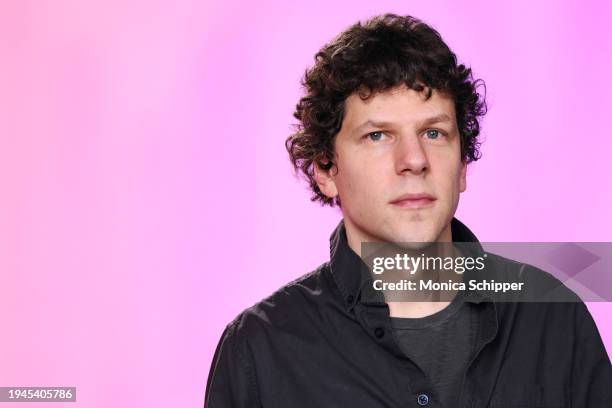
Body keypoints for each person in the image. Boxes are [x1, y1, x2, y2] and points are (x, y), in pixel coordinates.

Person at [204, 13, 612, 407]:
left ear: (463, 165)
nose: (414, 159)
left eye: (433, 132)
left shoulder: (552, 316)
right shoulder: (261, 351)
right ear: (327, 169)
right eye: (378, 135)